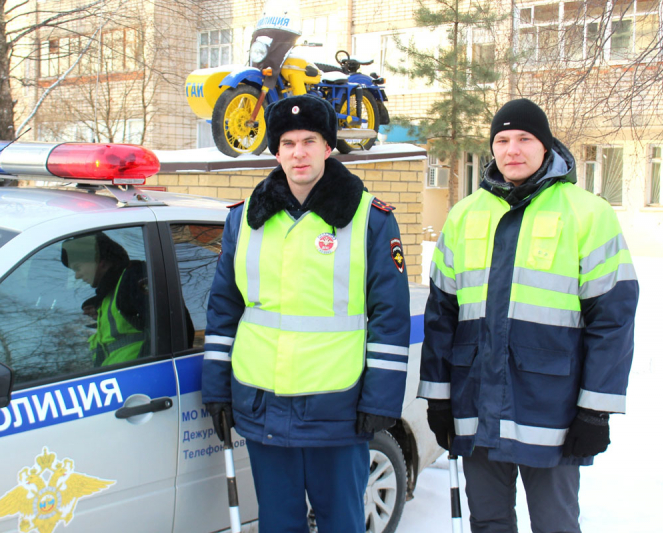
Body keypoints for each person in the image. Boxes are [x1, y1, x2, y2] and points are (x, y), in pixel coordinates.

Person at [419, 98, 639, 533]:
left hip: (552, 409)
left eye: (524, 139)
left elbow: (613, 319)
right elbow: (441, 316)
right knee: (489, 522)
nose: (512, 150)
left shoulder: (587, 213)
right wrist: (439, 397)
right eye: (502, 140)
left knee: (555, 524)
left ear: (545, 146)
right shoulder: (464, 216)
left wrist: (596, 410)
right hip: (476, 404)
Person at [201, 95, 410, 533]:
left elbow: (390, 319)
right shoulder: (244, 222)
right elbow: (224, 310)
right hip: (262, 403)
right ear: (275, 151)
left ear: (328, 147)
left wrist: (380, 401)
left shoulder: (370, 220)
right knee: (278, 524)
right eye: (289, 142)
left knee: (342, 524)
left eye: (309, 141)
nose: (299, 152)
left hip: (337, 406)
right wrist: (217, 390)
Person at [61, 232, 149, 367]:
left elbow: (169, 331)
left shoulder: (133, 278)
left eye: (77, 268)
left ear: (99, 260)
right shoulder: (109, 297)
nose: (77, 276)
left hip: (138, 378)